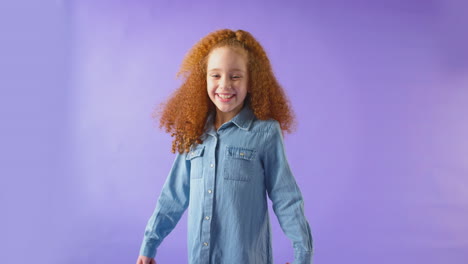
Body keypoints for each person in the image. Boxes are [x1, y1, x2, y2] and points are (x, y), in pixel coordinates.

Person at [136, 29, 313, 264]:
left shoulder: (265, 133)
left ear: (252, 82)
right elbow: (172, 196)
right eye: (215, 75)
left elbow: (286, 198)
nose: (225, 85)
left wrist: (303, 255)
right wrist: (149, 244)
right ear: (204, 79)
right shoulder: (195, 133)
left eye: (236, 76)